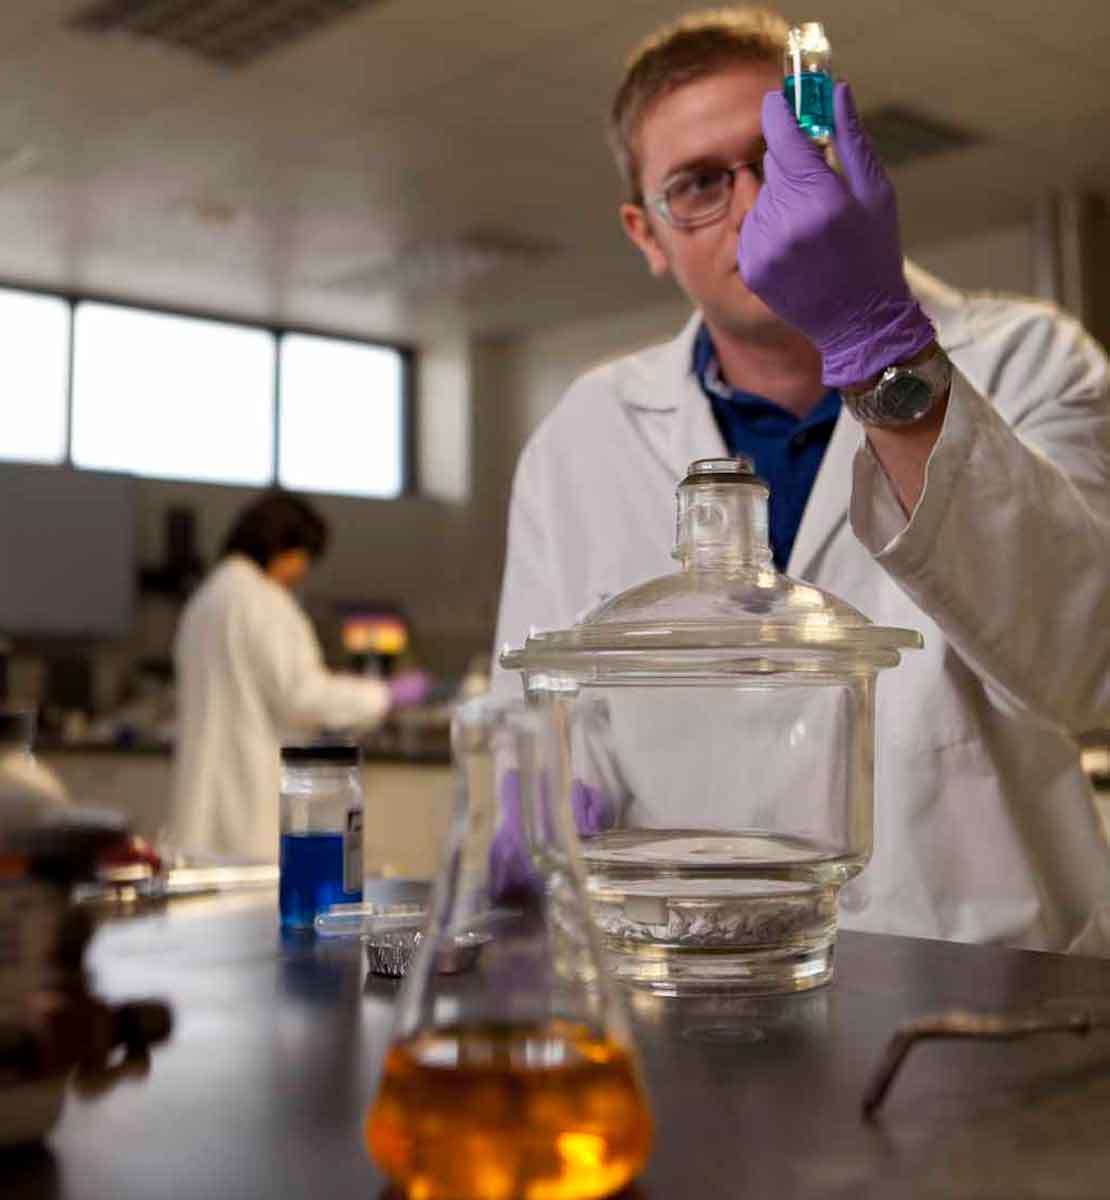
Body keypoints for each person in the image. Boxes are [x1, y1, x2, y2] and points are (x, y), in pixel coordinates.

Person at [492, 7, 1110, 954]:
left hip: (990, 990)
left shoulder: (1031, 360)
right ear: (646, 235)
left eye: (777, 158)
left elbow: (1090, 667)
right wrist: (531, 792)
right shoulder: (580, 437)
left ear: (838, 159)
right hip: (691, 970)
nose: (751, 202)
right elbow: (525, 716)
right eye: (698, 184)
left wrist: (881, 346)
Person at [169, 491, 428, 861]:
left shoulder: (203, 601)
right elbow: (303, 696)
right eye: (304, 558)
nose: (303, 572)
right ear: (283, 547)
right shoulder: (266, 603)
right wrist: (384, 695)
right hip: (249, 818)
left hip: (197, 817)